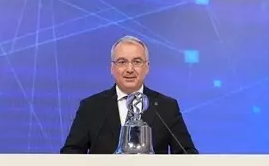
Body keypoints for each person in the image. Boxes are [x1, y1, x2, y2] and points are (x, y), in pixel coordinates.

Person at [60, 35, 198, 154]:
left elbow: (187, 154)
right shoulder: (91, 107)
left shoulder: (166, 107)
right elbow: (70, 153)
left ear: (147, 67)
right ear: (112, 68)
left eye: (137, 62)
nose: (130, 69)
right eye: (122, 62)